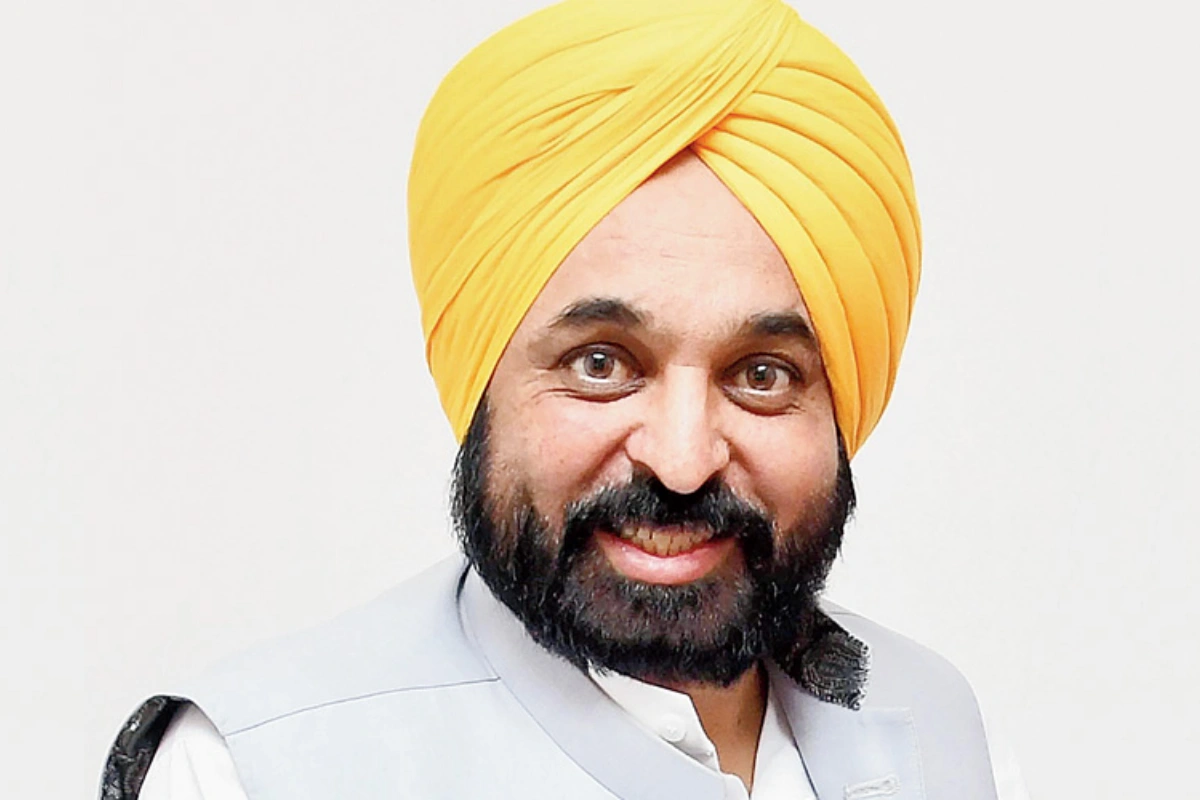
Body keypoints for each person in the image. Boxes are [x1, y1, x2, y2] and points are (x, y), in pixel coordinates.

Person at [103, 1, 1029, 798]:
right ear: (482, 382)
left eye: (761, 375)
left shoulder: (935, 725)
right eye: (601, 364)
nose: (682, 459)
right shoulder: (257, 771)